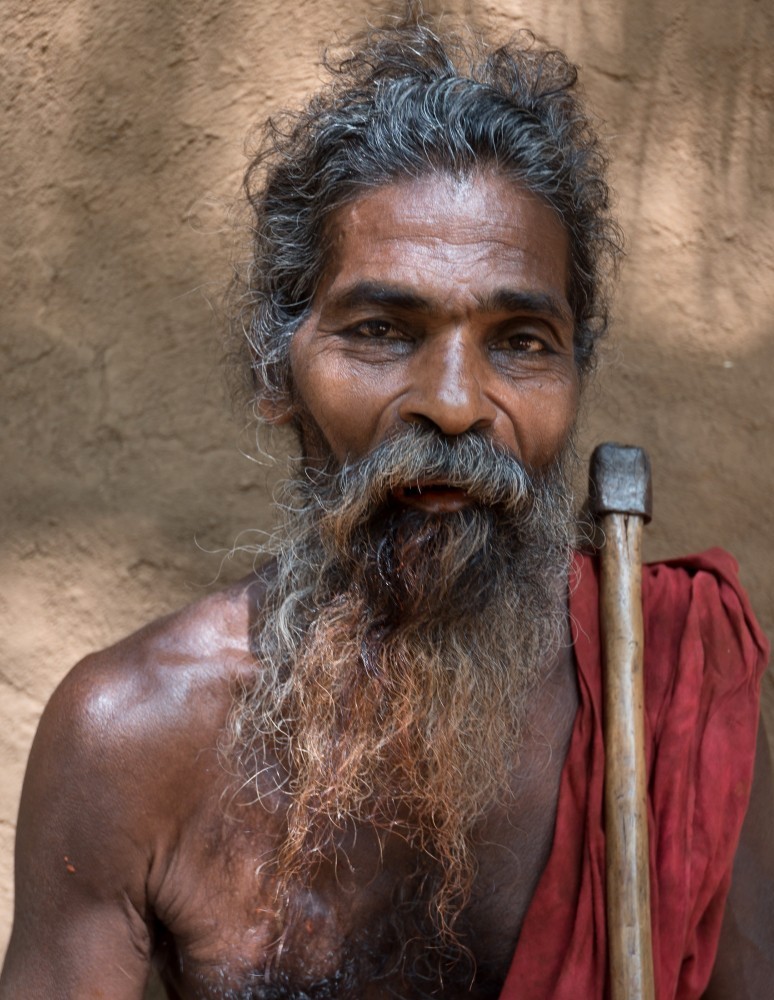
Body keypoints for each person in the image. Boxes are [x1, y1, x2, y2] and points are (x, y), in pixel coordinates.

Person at [1, 14, 771, 1000]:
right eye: (379, 329)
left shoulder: (669, 692)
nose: (453, 403)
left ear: (576, 374)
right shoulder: (133, 740)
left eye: (521, 341)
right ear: (274, 371)